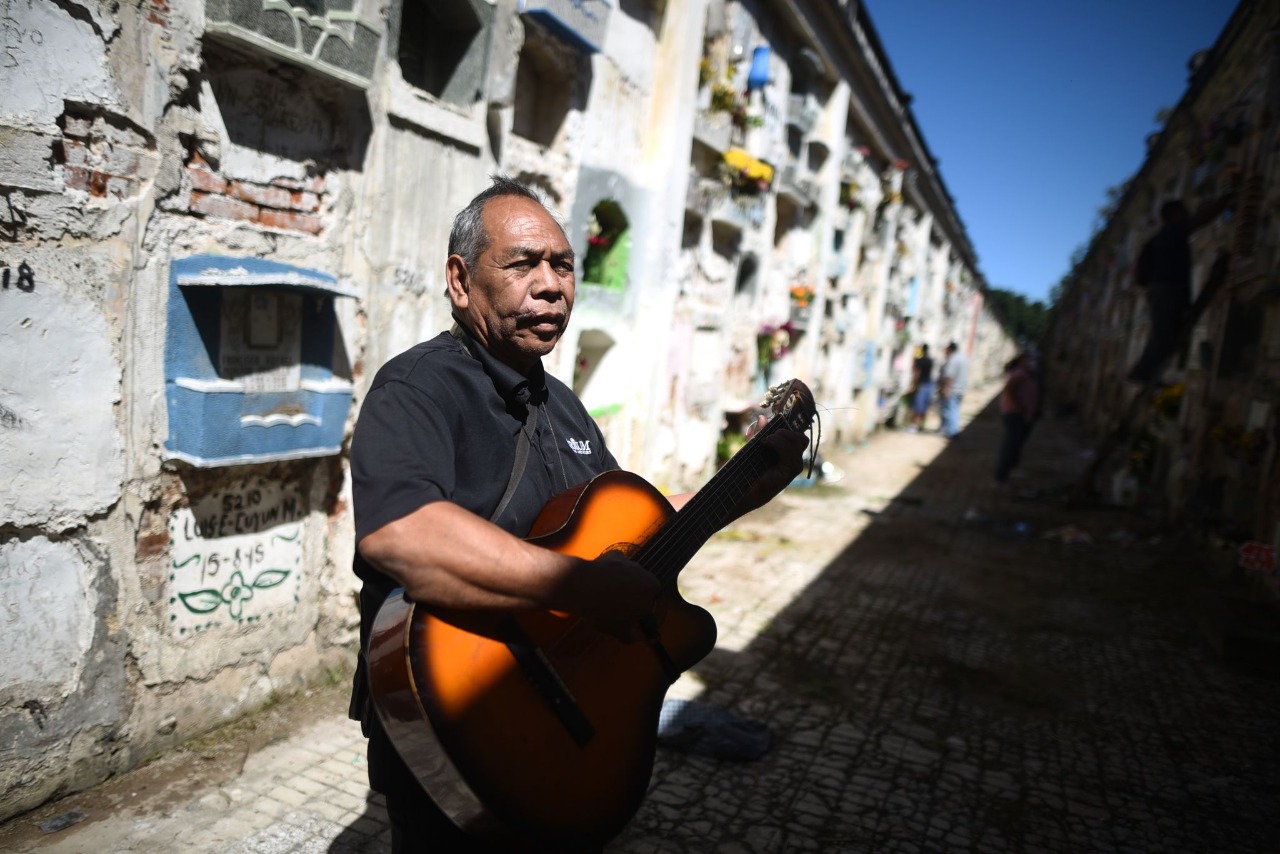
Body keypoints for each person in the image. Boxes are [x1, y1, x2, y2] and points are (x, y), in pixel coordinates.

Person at [347, 176, 807, 853]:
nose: (551, 284)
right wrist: (583, 588)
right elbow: (402, 533)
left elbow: (630, 530)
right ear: (460, 278)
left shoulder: (564, 406)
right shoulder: (420, 387)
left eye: (563, 264)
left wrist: (738, 489)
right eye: (523, 262)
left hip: (566, 727)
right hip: (457, 721)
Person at [995, 353, 1038, 488]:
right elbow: (1009, 390)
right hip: (1015, 414)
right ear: (1021, 361)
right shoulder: (1019, 374)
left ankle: (1009, 470)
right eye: (1030, 359)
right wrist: (1018, 407)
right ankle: (1002, 477)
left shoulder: (1024, 374)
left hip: (1019, 414)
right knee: (1011, 445)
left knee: (1014, 444)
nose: (1032, 363)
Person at [936, 341, 968, 439]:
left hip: (953, 390)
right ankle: (951, 430)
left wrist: (946, 389)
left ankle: (952, 432)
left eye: (946, 349)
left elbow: (949, 376)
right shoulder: (963, 358)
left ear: (950, 349)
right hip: (961, 389)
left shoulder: (953, 360)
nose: (944, 351)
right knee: (954, 410)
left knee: (950, 410)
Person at [908, 343, 934, 431]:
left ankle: (914, 426)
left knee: (918, 406)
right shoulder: (930, 360)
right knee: (924, 407)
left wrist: (913, 385)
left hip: (922, 385)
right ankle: (921, 425)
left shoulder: (921, 360)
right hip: (929, 384)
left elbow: (916, 373)